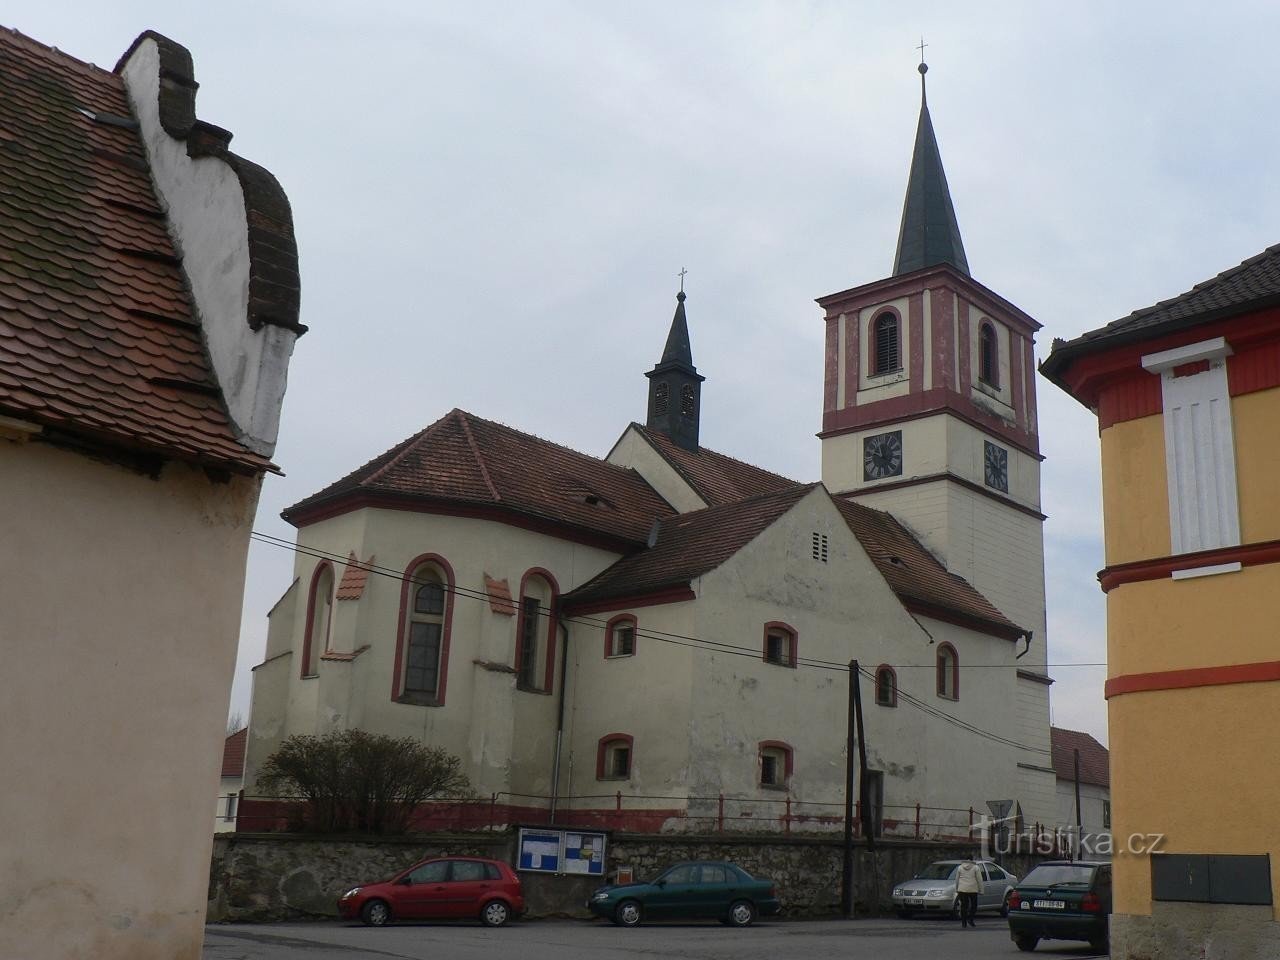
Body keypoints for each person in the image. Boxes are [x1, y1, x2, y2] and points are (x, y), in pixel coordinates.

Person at [954, 855, 982, 927]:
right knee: (974, 905)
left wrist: (957, 889)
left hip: (962, 889)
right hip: (973, 889)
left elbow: (957, 879)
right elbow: (979, 879)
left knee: (964, 906)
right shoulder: (976, 867)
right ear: (972, 859)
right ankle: (970, 918)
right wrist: (981, 889)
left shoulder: (960, 867)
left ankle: (964, 923)